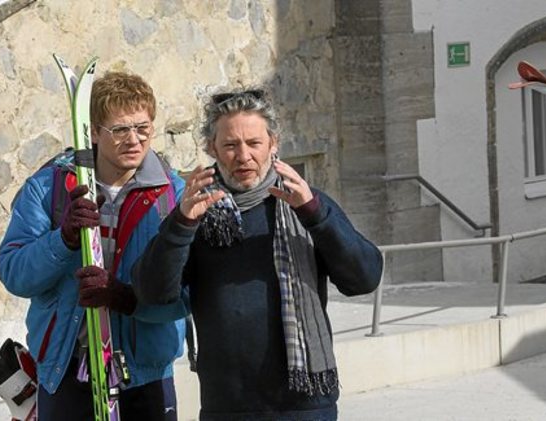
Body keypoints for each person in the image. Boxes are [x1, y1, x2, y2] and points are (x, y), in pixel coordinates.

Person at [132, 88, 383, 420]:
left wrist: (315, 215)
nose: (243, 156)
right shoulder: (197, 212)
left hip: (305, 406)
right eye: (230, 145)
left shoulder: (304, 202)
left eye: (254, 143)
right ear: (212, 148)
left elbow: (365, 278)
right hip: (228, 408)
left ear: (273, 143)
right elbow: (153, 293)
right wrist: (180, 225)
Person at [0, 71, 189, 420]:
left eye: (143, 128)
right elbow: (14, 274)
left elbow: (188, 294)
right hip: (66, 367)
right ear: (94, 132)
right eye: (120, 130)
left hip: (146, 373)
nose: (134, 139)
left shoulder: (172, 194)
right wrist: (64, 240)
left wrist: (126, 299)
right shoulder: (50, 188)